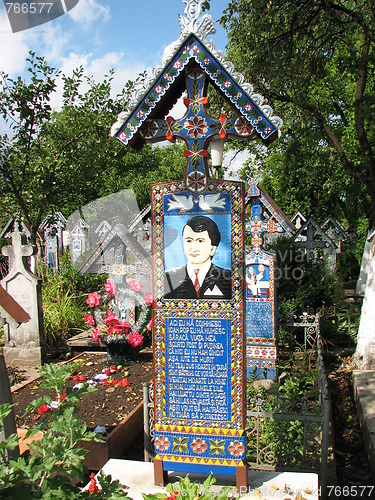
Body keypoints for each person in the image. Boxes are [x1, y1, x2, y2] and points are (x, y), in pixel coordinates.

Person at [164, 216, 232, 299]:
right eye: (189, 241)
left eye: (200, 241)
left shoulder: (228, 279)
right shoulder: (168, 279)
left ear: (212, 249)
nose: (193, 248)